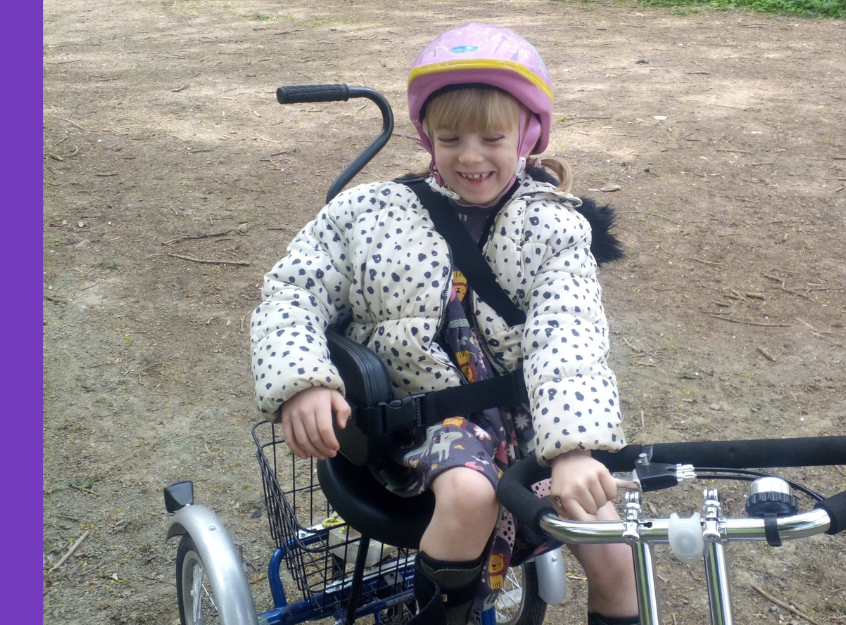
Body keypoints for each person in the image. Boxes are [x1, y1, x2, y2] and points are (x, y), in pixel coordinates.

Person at [250, 23, 637, 625]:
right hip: (419, 425)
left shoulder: (556, 230)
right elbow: (292, 291)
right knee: (470, 491)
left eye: (492, 137)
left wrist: (574, 448)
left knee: (613, 554)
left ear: (528, 134)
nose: (471, 156)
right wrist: (304, 380)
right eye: (451, 137)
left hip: (535, 421)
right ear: (427, 135)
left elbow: (570, 335)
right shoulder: (366, 213)